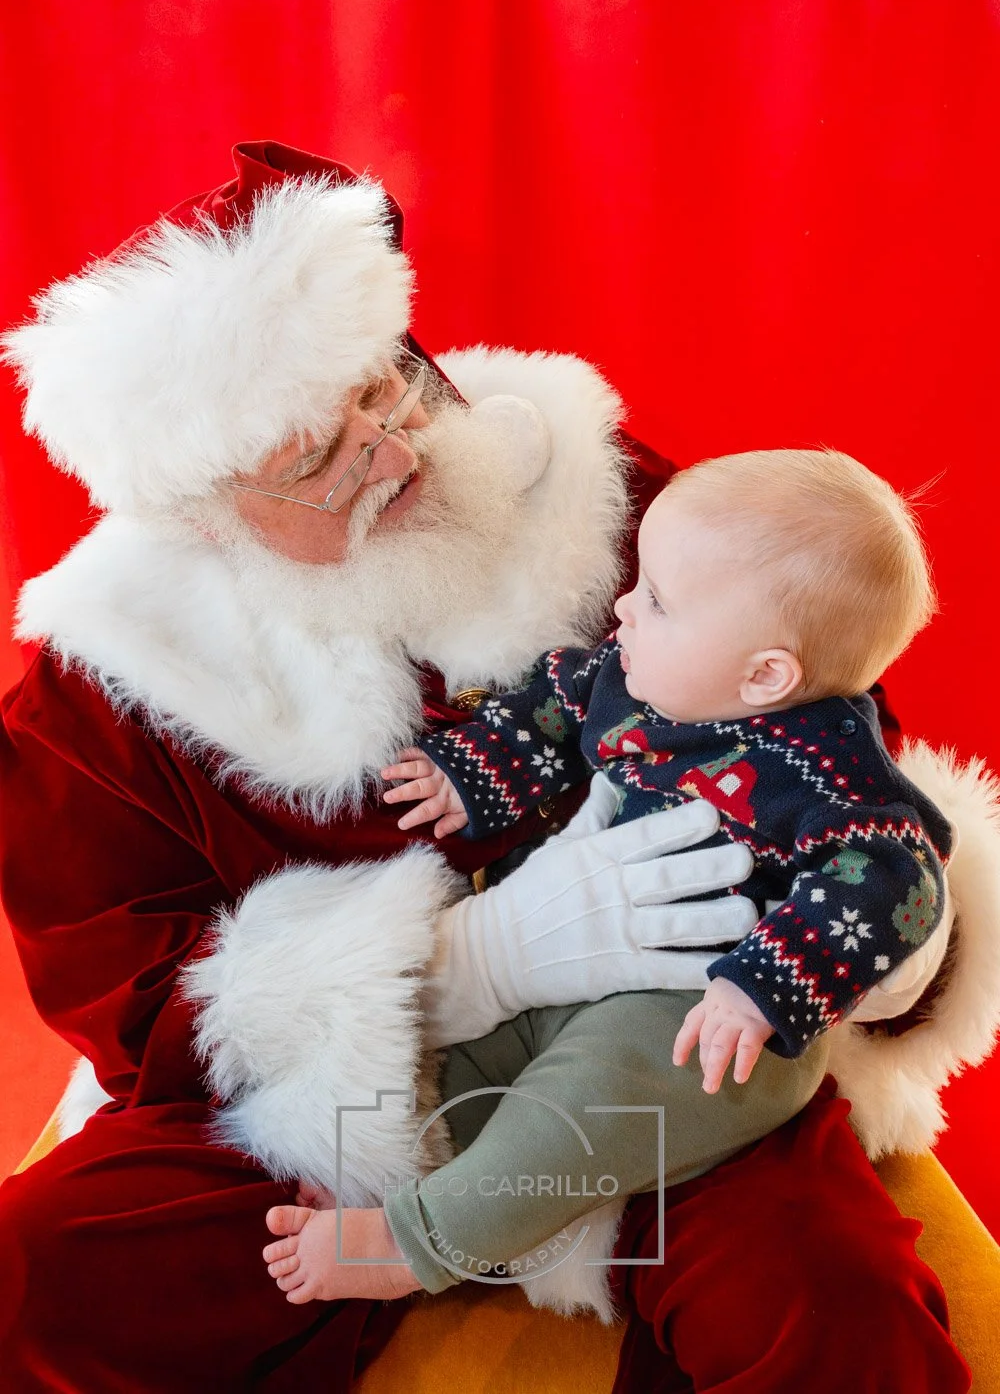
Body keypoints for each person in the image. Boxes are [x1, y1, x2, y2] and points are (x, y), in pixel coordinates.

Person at [0, 141, 981, 1392]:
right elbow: (125, 991)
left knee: (830, 1311)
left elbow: (828, 729)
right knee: (36, 1275)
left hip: (669, 1074)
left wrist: (843, 943)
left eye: (394, 387)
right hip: (339, 1124)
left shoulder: (606, 497)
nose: (398, 452)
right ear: (204, 511)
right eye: (318, 456)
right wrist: (469, 970)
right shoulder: (106, 683)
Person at [259, 448, 949, 1305]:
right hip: (568, 974)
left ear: (765, 675)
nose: (623, 607)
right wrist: (469, 772)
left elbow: (895, 877)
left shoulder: (827, 773)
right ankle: (389, 1175)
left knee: (580, 1116)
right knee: (461, 1066)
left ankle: (416, 1245)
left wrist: (763, 988)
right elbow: (554, 700)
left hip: (700, 1021)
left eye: (656, 600)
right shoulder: (639, 677)